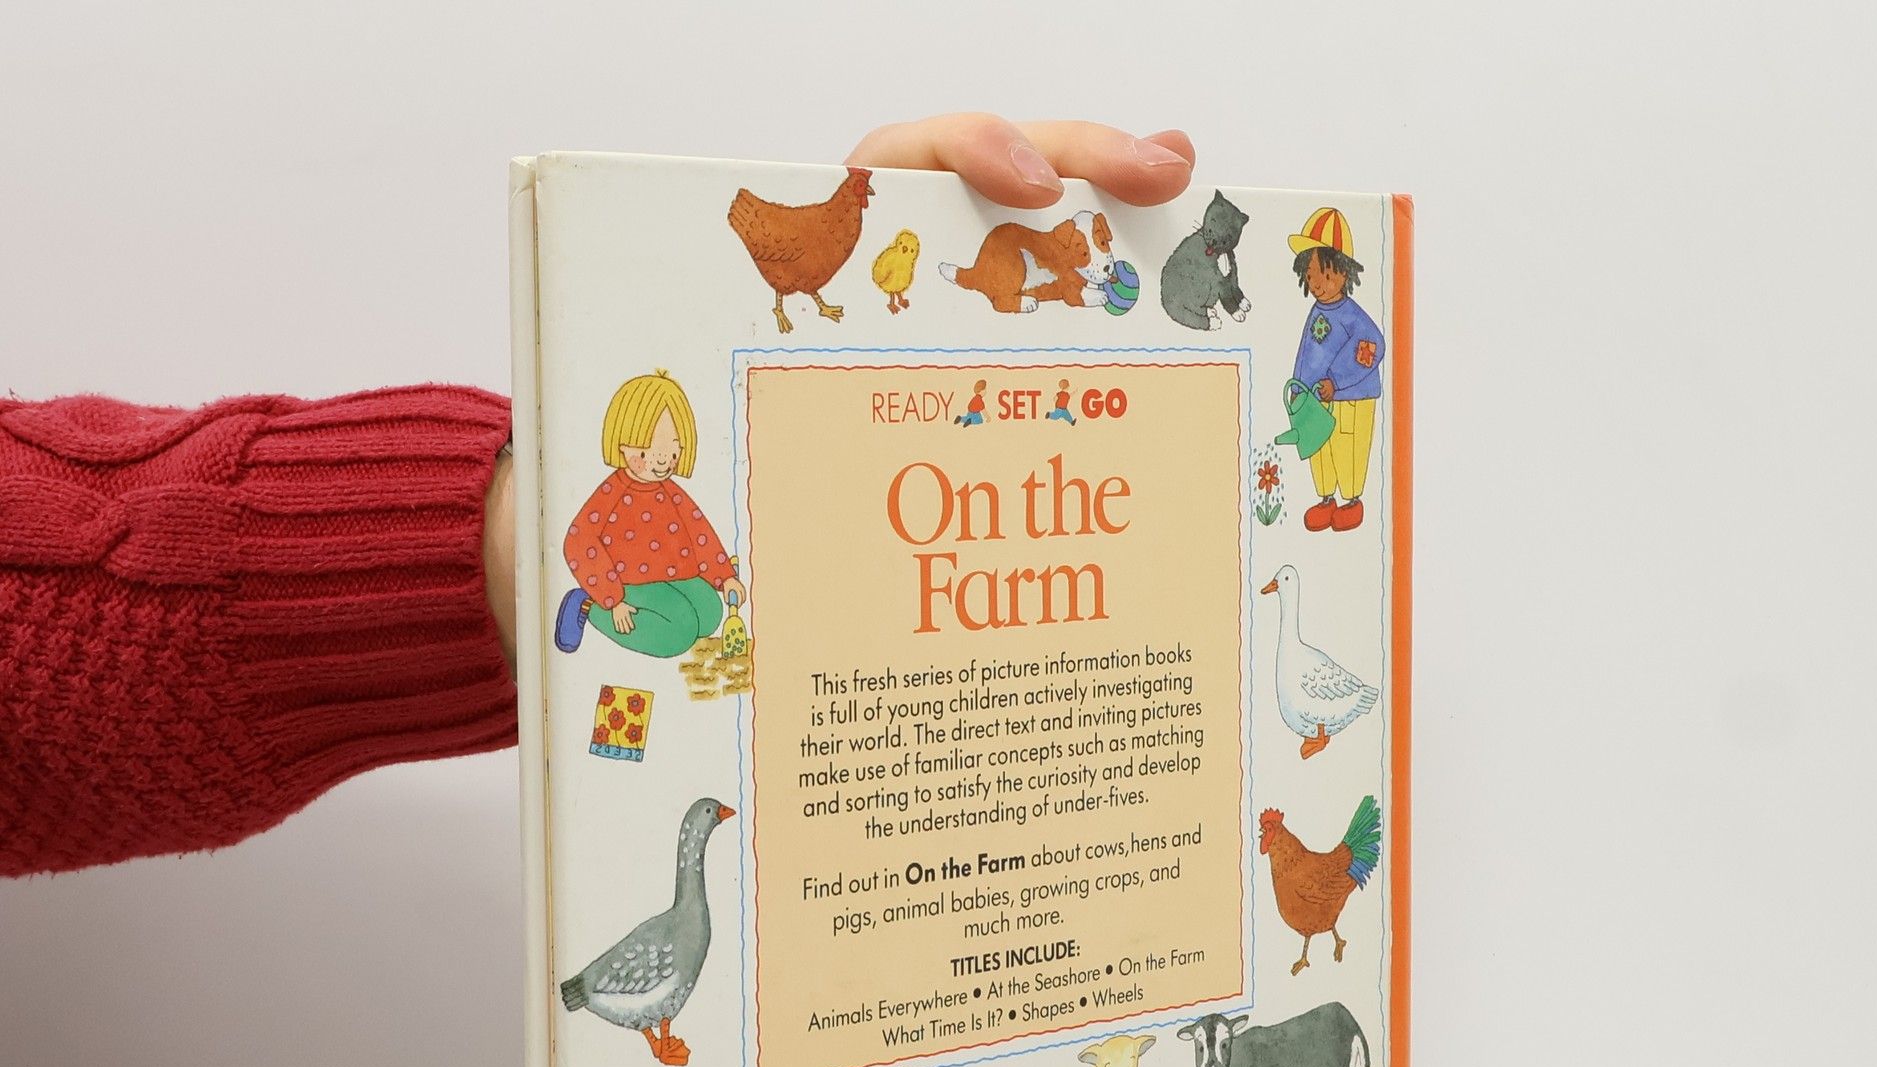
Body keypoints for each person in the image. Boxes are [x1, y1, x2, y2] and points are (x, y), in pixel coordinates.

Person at [0, 116, 1196, 879]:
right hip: (631, 607)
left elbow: (108, 610)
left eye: (677, 444)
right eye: (660, 442)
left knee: (697, 619)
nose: (666, 458)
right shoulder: (615, 511)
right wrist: (591, 571)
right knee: (671, 637)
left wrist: (803, 448)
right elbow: (99, 628)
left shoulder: (665, 498)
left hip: (668, 602)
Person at [554, 370, 741, 660]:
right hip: (626, 583)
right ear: (623, 445)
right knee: (678, 634)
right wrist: (612, 597)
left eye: (672, 452)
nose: (662, 462)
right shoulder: (611, 493)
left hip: (675, 576)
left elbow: (699, 533)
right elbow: (579, 541)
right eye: (647, 453)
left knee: (710, 613)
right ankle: (588, 604)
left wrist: (724, 577)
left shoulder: (671, 491)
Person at [1287, 205, 1386, 533]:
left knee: (1348, 449)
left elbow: (1371, 346)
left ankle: (1353, 502)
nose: (1317, 283)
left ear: (1344, 273)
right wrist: (1299, 387)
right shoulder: (1317, 311)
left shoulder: (1353, 316)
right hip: (1316, 400)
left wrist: (1336, 381)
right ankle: (1326, 499)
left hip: (1351, 399)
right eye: (1310, 275)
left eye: (1326, 275)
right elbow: (1307, 352)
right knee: (1321, 448)